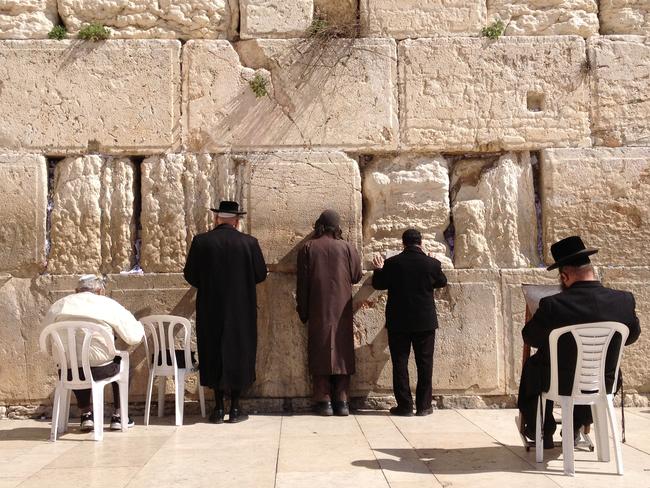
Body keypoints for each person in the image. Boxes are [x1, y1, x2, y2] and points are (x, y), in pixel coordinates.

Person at [518, 236, 641, 448]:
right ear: (591, 270)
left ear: (564, 276)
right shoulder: (624, 300)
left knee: (534, 367)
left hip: (559, 383)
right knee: (594, 369)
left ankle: (542, 430)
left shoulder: (552, 305)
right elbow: (630, 337)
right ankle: (576, 424)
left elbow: (530, 337)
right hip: (603, 381)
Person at [184, 200, 267, 424]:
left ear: (217, 218)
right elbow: (261, 274)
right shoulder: (249, 243)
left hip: (211, 308)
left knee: (213, 351)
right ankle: (236, 408)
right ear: (237, 221)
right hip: (242, 309)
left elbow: (190, 275)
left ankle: (218, 408)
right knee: (239, 351)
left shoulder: (201, 242)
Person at [42, 274, 144, 431]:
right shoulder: (107, 304)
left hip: (66, 372)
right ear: (100, 290)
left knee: (75, 363)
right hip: (100, 371)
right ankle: (119, 415)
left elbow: (46, 345)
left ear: (76, 291)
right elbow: (133, 337)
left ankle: (86, 414)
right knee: (122, 361)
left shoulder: (59, 305)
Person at [371, 229, 448, 416]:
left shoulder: (392, 263)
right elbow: (441, 282)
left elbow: (378, 284)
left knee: (400, 362)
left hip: (399, 322)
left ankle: (405, 406)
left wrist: (378, 268)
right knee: (425, 363)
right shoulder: (432, 264)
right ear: (420, 243)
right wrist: (433, 262)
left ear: (402, 244)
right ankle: (424, 406)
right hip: (425, 322)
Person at [296, 210, 362, 416]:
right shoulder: (348, 248)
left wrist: (303, 310)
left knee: (320, 347)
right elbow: (356, 276)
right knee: (342, 349)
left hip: (318, 306)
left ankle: (323, 399)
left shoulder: (308, 248)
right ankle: (342, 400)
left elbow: (302, 284)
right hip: (342, 308)